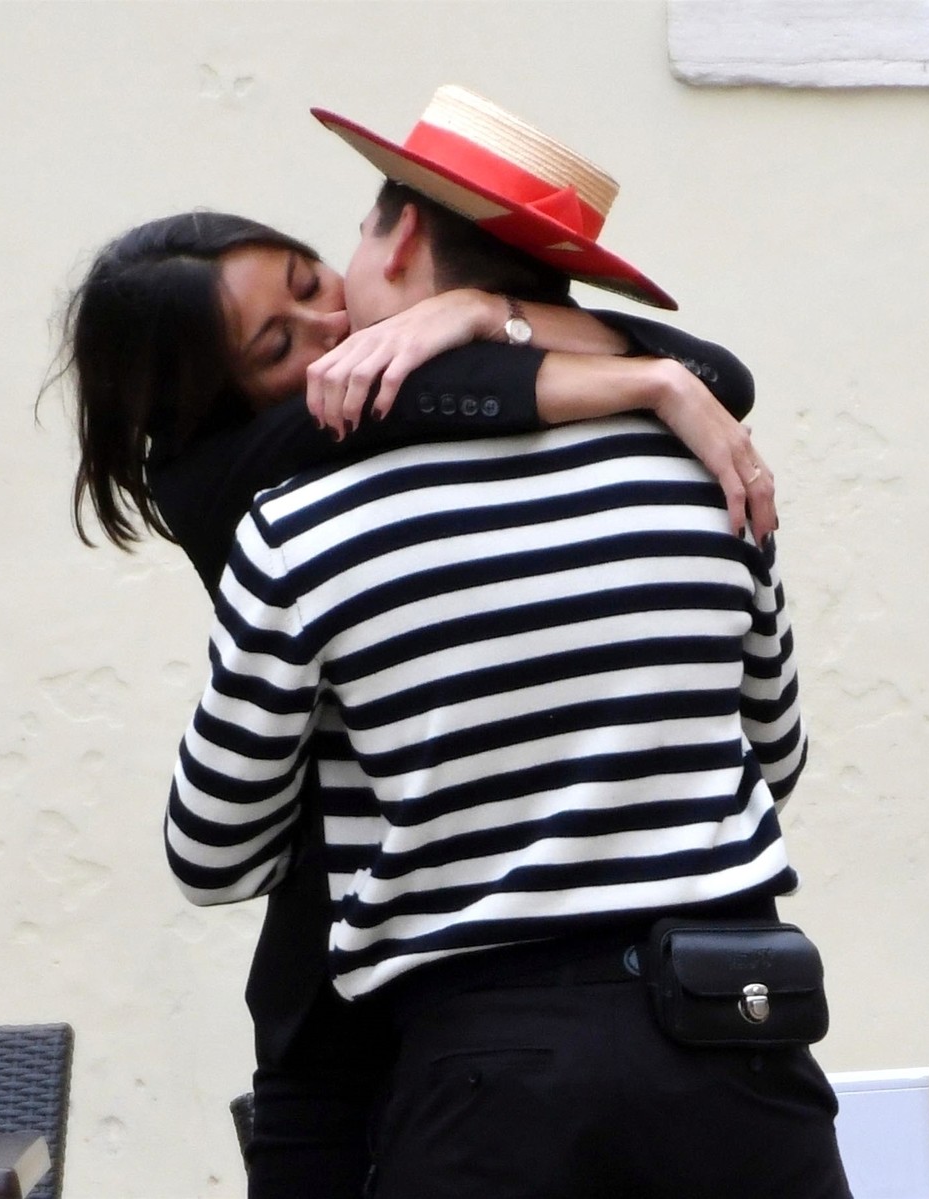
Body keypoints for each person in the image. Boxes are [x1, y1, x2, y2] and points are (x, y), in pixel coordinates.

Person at [165, 85, 849, 1198]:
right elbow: (775, 753)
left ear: (401, 232)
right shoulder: (707, 470)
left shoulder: (301, 522)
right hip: (739, 1049)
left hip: (483, 1080)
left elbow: (211, 855)